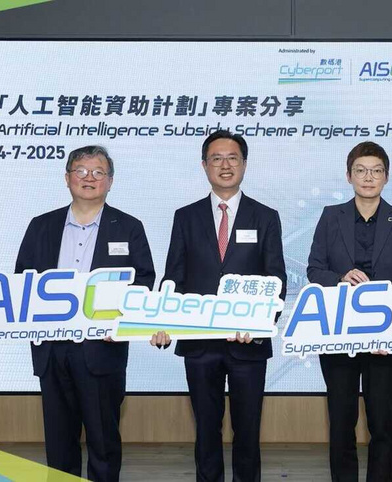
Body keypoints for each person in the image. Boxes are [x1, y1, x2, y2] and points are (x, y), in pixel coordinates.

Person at [0, 145, 155, 481]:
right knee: (59, 444)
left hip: (102, 350)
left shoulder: (128, 227)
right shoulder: (41, 226)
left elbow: (144, 282)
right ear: (67, 178)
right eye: (81, 170)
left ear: (110, 181)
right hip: (52, 352)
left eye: (98, 172)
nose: (89, 178)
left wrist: (122, 322)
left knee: (104, 443)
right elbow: (21, 285)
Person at [150, 130, 287, 482]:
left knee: (248, 430)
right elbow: (174, 277)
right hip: (199, 344)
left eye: (232, 158)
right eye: (216, 158)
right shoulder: (186, 216)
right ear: (204, 165)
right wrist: (162, 320)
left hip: (248, 343)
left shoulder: (265, 216)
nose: (225, 165)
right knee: (206, 429)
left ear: (244, 164)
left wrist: (258, 324)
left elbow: (276, 279)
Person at [307, 141, 392, 482]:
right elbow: (314, 270)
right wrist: (339, 277)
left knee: (382, 423)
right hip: (339, 334)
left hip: (387, 338)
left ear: (386, 177)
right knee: (342, 421)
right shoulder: (331, 216)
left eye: (376, 171)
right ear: (349, 176)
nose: (368, 177)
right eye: (361, 170)